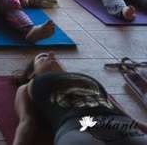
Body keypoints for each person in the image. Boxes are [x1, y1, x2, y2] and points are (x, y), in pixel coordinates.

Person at [12, 52, 147, 145]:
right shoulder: (28, 86)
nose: (52, 55)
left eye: (54, 56)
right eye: (43, 57)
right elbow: (27, 122)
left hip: (121, 125)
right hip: (77, 127)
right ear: (32, 73)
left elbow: (122, 113)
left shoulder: (86, 79)